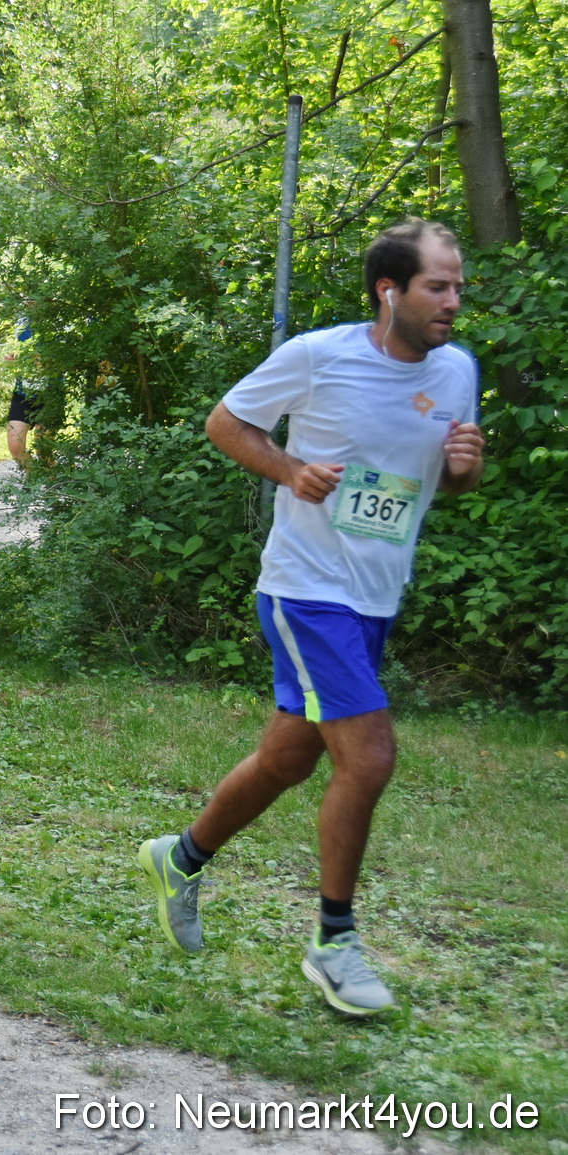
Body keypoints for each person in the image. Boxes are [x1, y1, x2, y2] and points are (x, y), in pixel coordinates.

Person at [136, 219, 484, 1016]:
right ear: (389, 291)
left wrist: (467, 467)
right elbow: (225, 422)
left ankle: (180, 857)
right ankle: (334, 941)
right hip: (307, 589)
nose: (453, 302)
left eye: (458, 286)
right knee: (368, 758)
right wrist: (291, 469)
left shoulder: (457, 372)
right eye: (439, 286)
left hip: (375, 596)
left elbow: (445, 481)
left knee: (289, 758)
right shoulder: (322, 356)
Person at [4, 323, 42, 464]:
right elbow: (16, 350)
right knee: (16, 447)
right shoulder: (22, 323)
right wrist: (12, 356)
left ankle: (56, 484)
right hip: (23, 393)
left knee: (44, 450)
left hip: (50, 395)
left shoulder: (60, 322)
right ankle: (33, 482)